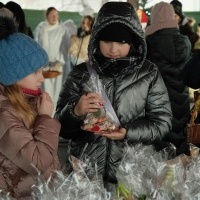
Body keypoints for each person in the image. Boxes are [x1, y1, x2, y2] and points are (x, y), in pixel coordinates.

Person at [55, 1, 172, 191]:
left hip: (132, 175)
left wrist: (128, 132)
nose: (113, 49)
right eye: (107, 41)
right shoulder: (80, 74)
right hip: (86, 176)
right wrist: (75, 111)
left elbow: (162, 122)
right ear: (96, 39)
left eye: (122, 42)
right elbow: (62, 129)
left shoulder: (149, 73)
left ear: (134, 41)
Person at [0, 15, 61, 198]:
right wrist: (45, 118)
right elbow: (38, 161)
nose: (41, 78)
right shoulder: (5, 113)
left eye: (42, 70)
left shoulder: (27, 101)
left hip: (37, 191)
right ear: (12, 75)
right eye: (35, 72)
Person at [145, 2, 191, 155]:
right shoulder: (185, 42)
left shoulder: (148, 43)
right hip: (182, 102)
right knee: (180, 145)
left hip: (158, 105)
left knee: (160, 155)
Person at [34, 7, 77, 112]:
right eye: (52, 14)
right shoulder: (41, 28)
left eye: (56, 15)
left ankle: (55, 114)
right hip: (43, 66)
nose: (54, 17)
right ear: (47, 16)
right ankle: (45, 113)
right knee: (45, 91)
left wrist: (60, 61)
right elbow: (37, 46)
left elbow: (66, 49)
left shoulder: (62, 30)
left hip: (58, 65)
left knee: (57, 92)